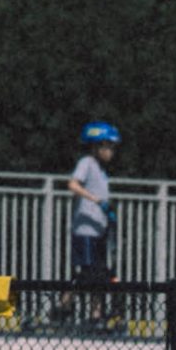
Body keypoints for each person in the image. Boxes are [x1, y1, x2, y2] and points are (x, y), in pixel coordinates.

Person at [64, 121, 118, 328]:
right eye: (108, 147)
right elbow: (72, 184)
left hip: (99, 230)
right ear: (97, 147)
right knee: (87, 272)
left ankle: (96, 314)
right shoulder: (86, 162)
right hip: (85, 230)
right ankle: (64, 305)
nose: (111, 152)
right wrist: (94, 200)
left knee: (101, 272)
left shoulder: (102, 170)